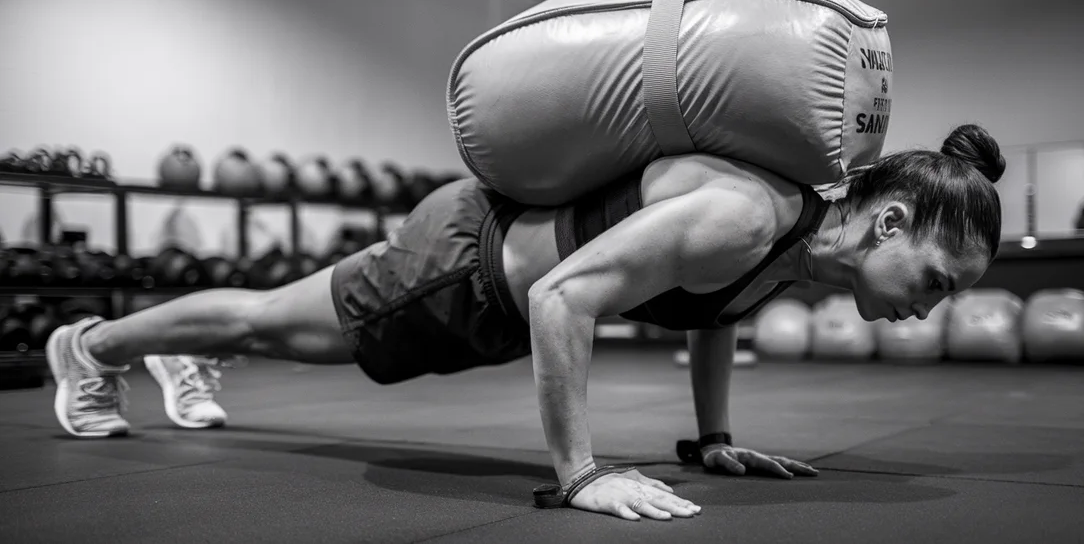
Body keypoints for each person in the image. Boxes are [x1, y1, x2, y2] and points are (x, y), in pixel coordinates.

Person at [46, 123, 1005, 522]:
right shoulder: (750, 211)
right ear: (888, 221)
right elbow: (563, 295)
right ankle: (89, 346)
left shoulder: (796, 245)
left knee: (270, 326)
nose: (931, 305)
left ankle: (161, 351)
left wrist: (713, 440)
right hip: (459, 267)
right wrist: (580, 473)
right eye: (937, 276)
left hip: (491, 302)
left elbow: (717, 311)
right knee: (268, 321)